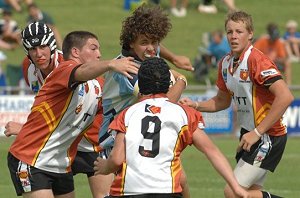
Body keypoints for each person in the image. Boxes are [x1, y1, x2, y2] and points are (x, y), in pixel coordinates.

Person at [6, 29, 139, 198]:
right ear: (75, 52)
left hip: (65, 157)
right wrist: (110, 64)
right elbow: (80, 73)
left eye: (42, 47)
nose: (99, 54)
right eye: (93, 49)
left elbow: (119, 106)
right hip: (32, 158)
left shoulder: (98, 85)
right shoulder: (65, 68)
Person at [94, 57, 249, 198]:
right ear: (169, 83)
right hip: (167, 192)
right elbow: (212, 152)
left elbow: (116, 159)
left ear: (140, 84)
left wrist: (105, 167)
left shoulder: (126, 114)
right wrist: (236, 187)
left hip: (127, 191)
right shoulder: (184, 114)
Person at [180, 11, 294, 198]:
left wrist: (256, 133)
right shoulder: (225, 63)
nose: (233, 36)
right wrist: (196, 105)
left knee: (234, 192)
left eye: (239, 31)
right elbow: (221, 101)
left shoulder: (257, 60)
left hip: (268, 136)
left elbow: (286, 96)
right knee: (250, 193)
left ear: (250, 34)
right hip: (249, 133)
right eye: (230, 32)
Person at [99, 4, 192, 198]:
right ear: (131, 42)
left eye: (155, 41)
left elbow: (153, 47)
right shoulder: (127, 69)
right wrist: (181, 80)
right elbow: (162, 104)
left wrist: (174, 58)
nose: (151, 48)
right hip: (114, 142)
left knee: (180, 179)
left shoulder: (145, 53)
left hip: (136, 136)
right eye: (144, 42)